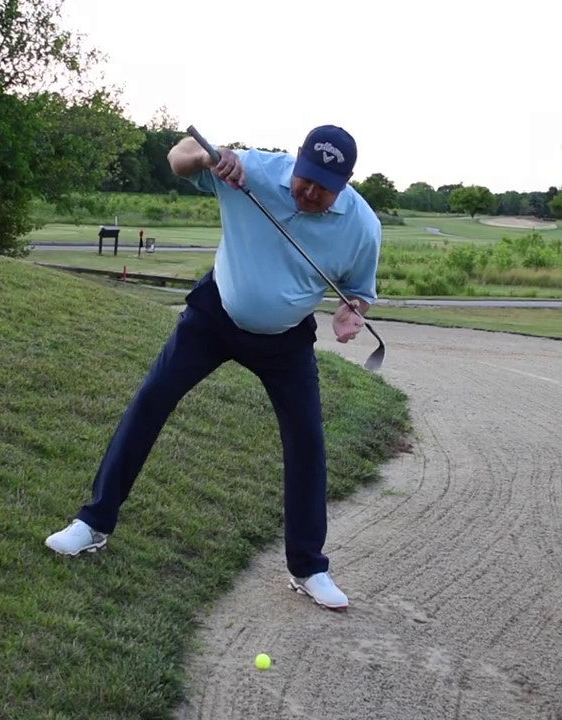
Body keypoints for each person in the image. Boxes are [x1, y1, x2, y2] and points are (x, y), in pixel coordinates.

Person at [44, 125, 382, 611]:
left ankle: (307, 566)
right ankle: (92, 523)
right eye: (304, 179)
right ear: (296, 161)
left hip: (285, 340)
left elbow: (359, 291)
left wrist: (354, 310)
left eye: (322, 188)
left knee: (307, 442)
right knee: (151, 400)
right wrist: (209, 159)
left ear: (346, 182)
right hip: (214, 316)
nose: (308, 192)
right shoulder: (256, 170)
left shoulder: (362, 227)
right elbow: (179, 156)